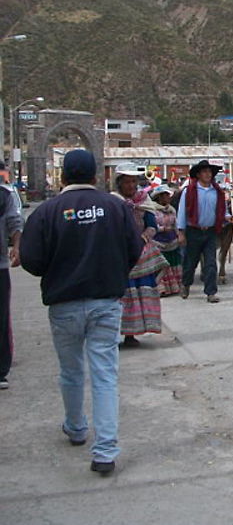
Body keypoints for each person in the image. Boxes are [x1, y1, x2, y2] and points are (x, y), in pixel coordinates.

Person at [20, 149, 142, 475]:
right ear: (95, 176)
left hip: (64, 304)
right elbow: (135, 248)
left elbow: (30, 259)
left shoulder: (46, 212)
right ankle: (105, 451)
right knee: (105, 375)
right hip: (105, 303)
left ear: (62, 177)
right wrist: (114, 270)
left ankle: (75, 427)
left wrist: (57, 269)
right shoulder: (115, 208)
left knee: (71, 370)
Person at [111, 163, 165, 346]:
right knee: (122, 295)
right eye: (127, 182)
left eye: (134, 181)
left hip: (141, 255)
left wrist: (143, 238)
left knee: (139, 293)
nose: (131, 186)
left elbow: (152, 225)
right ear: (119, 183)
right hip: (119, 254)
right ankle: (117, 333)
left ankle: (131, 335)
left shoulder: (144, 201)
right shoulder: (113, 202)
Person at [176, 159, 228, 302]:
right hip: (194, 231)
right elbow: (182, 212)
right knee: (190, 262)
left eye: (209, 172)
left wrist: (229, 217)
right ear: (198, 174)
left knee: (211, 263)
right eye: (205, 171)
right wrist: (181, 232)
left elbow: (222, 211)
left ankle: (210, 292)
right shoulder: (189, 191)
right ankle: (186, 284)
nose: (208, 174)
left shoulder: (217, 192)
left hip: (210, 232)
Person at [0, 170, 24, 390]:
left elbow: (14, 222)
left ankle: (1, 370)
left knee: (1, 317)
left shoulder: (4, 196)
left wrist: (17, 246)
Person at [148, 185, 184, 293]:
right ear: (159, 197)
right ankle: (161, 288)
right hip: (158, 242)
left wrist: (179, 234)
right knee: (161, 265)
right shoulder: (152, 211)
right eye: (166, 195)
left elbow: (176, 223)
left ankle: (174, 287)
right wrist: (162, 229)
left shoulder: (171, 210)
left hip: (172, 242)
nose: (169, 197)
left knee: (173, 263)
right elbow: (151, 225)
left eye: (169, 195)